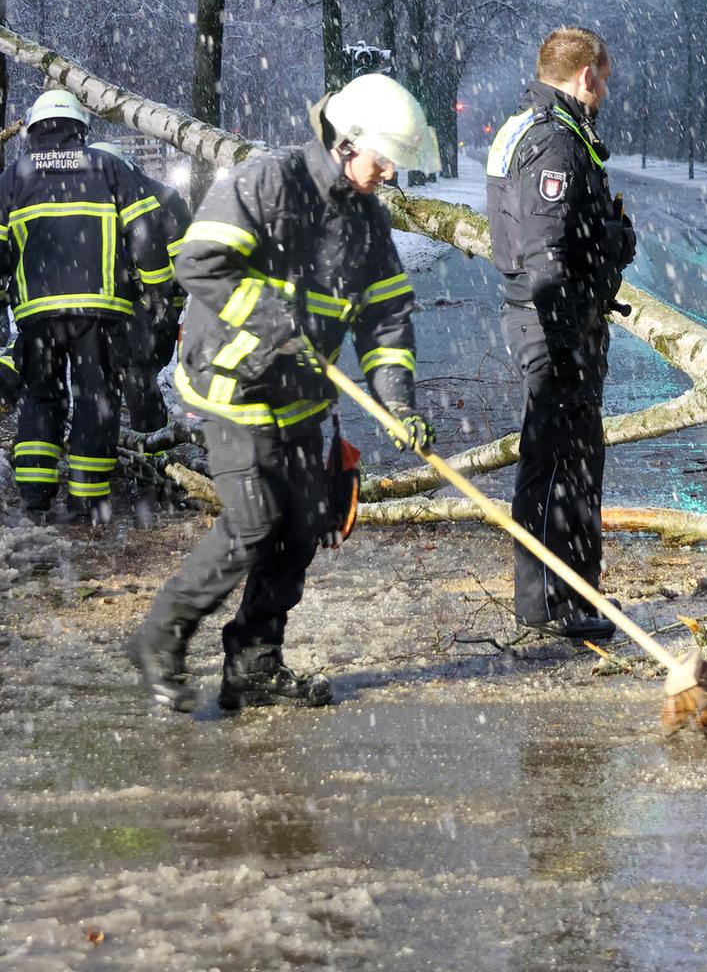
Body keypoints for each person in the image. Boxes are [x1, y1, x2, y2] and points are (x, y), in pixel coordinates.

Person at [127, 74, 439, 713]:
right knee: (252, 526)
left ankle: (254, 666)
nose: (389, 173)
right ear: (348, 142)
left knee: (300, 528)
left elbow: (386, 320)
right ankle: (160, 639)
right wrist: (272, 318)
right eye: (384, 158)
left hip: (304, 398)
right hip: (233, 388)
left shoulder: (367, 220)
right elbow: (200, 262)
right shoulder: (269, 181)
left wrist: (398, 402)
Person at [486, 26, 636, 641]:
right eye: (604, 76)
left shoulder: (536, 128)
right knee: (559, 463)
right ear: (586, 76)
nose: (606, 89)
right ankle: (554, 601)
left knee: (567, 458)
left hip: (557, 316)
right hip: (554, 321)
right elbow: (544, 249)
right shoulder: (556, 142)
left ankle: (568, 592)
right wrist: (563, 331)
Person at [0, 89, 172, 523]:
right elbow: (146, 233)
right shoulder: (108, 166)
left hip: (37, 313)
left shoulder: (12, 176)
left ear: (34, 129)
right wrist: (157, 290)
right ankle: (88, 501)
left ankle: (36, 497)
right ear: (81, 128)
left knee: (41, 398)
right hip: (100, 310)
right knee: (96, 398)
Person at [90, 141, 192, 437]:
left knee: (137, 374)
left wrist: (163, 305)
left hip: (147, 305)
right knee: (119, 375)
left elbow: (184, 261)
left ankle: (151, 447)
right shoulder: (113, 193)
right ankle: (127, 449)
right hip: (119, 303)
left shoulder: (160, 199)